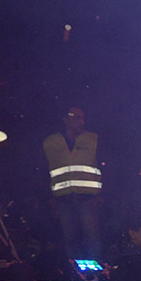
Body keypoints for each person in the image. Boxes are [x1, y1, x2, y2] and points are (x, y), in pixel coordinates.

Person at [42, 106, 104, 260]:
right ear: (65, 119)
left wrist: (103, 194)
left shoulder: (93, 139)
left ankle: (95, 272)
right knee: (69, 238)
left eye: (82, 118)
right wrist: (49, 197)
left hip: (88, 198)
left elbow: (105, 168)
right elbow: (44, 171)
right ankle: (73, 271)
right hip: (63, 199)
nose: (81, 122)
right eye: (76, 117)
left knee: (92, 236)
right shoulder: (50, 142)